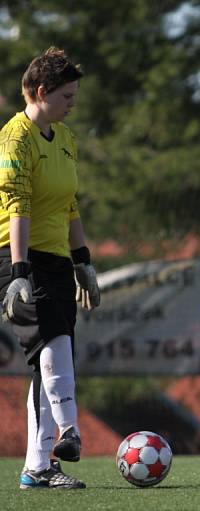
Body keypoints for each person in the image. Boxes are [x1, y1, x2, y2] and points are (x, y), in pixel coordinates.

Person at [0, 47, 101, 490]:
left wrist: (84, 262)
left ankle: (38, 467)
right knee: (52, 342)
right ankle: (70, 429)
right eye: (66, 96)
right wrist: (19, 271)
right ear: (41, 92)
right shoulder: (15, 138)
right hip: (17, 258)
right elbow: (17, 206)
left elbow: (70, 205)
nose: (72, 104)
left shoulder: (64, 138)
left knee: (50, 355)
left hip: (57, 259)